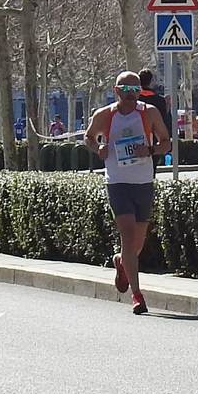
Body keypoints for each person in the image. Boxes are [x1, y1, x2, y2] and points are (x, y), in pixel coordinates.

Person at [83, 71, 172, 315]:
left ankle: (122, 262)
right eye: (127, 90)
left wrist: (151, 150)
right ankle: (137, 295)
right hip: (118, 182)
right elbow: (88, 137)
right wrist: (98, 147)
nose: (133, 95)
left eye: (136, 90)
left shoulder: (149, 113)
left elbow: (167, 143)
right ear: (117, 91)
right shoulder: (105, 115)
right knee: (127, 234)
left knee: (137, 244)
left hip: (143, 182)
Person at [138, 68, 172, 134]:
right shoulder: (160, 101)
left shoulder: (134, 100)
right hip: (156, 139)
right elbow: (166, 124)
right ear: (151, 81)